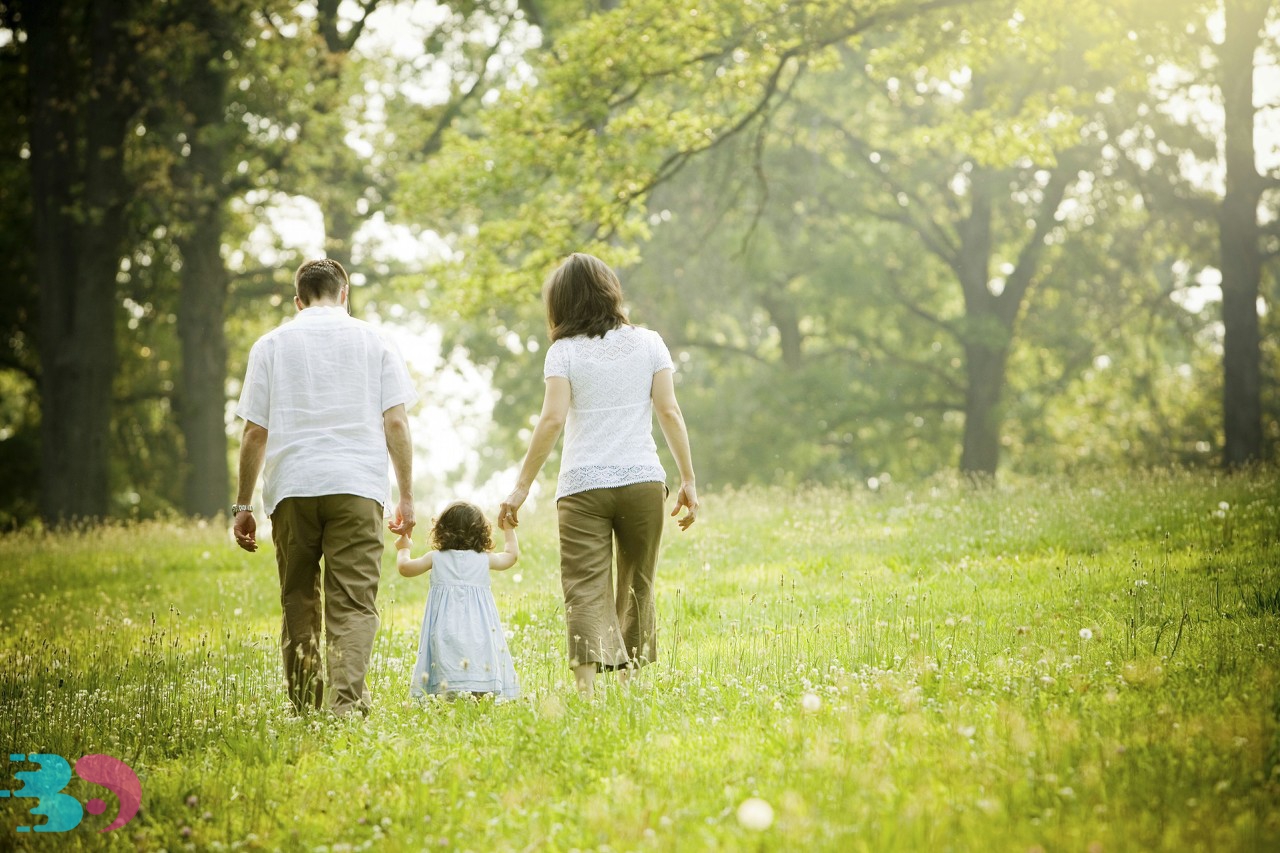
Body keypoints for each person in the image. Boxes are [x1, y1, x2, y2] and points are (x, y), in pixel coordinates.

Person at [500, 252, 698, 698]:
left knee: (584, 584)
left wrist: (520, 487)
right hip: (642, 481)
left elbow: (551, 421)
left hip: (582, 486)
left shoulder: (563, 352)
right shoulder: (650, 343)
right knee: (637, 582)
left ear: (561, 304)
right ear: (611, 290)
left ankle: (586, 691)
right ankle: (629, 684)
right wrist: (687, 479)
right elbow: (669, 410)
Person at [232, 258, 417, 716]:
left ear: (298, 301)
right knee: (353, 603)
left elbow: (255, 432)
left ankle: (306, 706)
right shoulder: (376, 340)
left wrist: (242, 504)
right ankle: (346, 705)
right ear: (344, 293)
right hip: (356, 486)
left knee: (298, 598)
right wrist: (406, 495)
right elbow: (395, 421)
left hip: (292, 488)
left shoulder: (271, 345)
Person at [396, 501, 521, 700]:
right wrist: (508, 529)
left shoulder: (435, 557)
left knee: (446, 664)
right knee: (479, 663)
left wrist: (404, 547)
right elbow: (511, 556)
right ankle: (477, 697)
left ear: (442, 530)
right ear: (481, 531)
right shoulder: (484, 559)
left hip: (444, 628)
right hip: (479, 630)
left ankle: (447, 698)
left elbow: (405, 568)